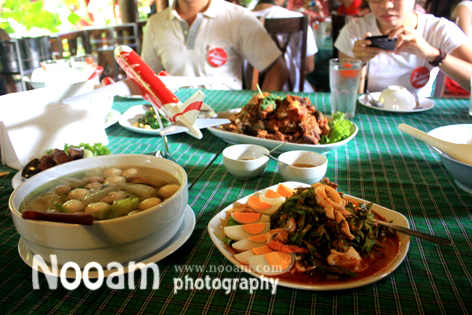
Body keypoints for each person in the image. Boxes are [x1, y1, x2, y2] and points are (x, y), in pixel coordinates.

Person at [141, 0, 289, 91]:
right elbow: (147, 78)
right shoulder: (155, 24)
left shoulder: (238, 18)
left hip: (225, 118)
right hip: (175, 117)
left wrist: (261, 110)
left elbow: (277, 69)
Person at [335, 0, 472, 97]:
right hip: (374, 112)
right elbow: (342, 91)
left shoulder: (438, 29)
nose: (386, 4)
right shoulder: (355, 30)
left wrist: (433, 54)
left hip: (421, 114)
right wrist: (359, 63)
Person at [252, 0, 318, 92]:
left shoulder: (240, 19)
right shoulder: (298, 17)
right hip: (294, 92)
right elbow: (309, 67)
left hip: (249, 91)